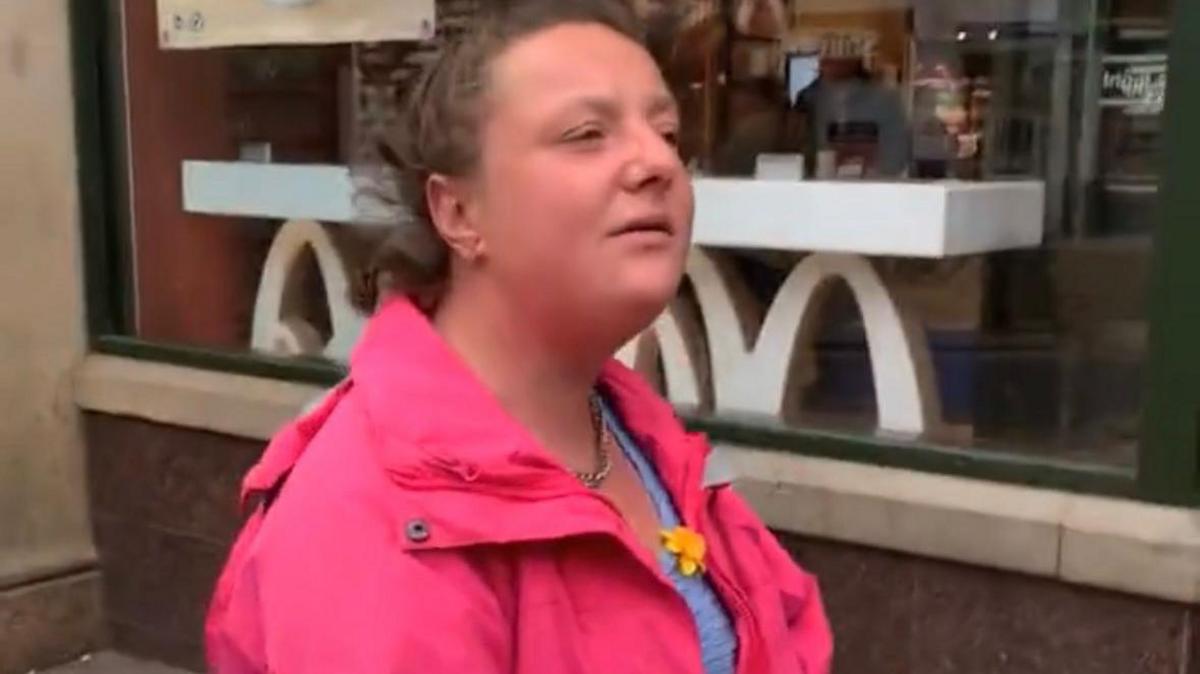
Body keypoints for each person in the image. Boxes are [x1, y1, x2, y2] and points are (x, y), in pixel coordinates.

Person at [205, 2, 832, 672]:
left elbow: (786, 631)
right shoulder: (370, 519)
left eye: (668, 134)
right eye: (587, 133)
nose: (657, 163)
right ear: (458, 211)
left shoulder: (644, 438)